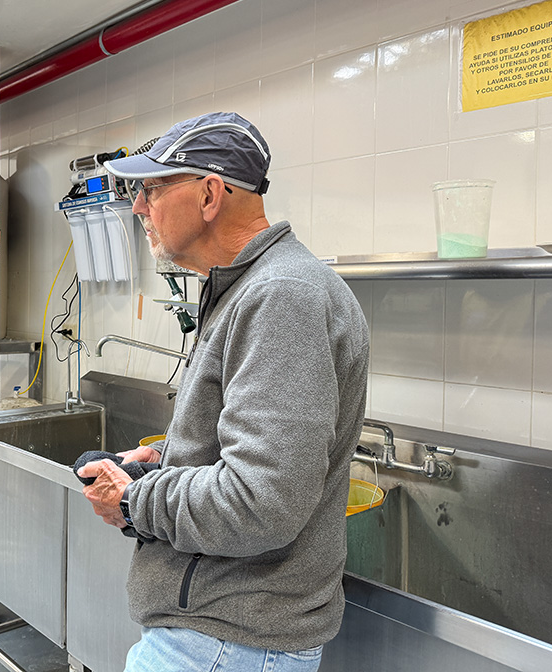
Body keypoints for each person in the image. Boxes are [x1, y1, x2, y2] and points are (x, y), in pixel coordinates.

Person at [78, 112, 369, 672]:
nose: (139, 206)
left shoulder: (282, 297)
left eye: (153, 188)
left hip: (227, 644)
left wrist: (135, 502)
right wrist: (159, 462)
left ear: (210, 194)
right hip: (216, 636)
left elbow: (263, 501)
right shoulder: (249, 288)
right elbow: (238, 449)